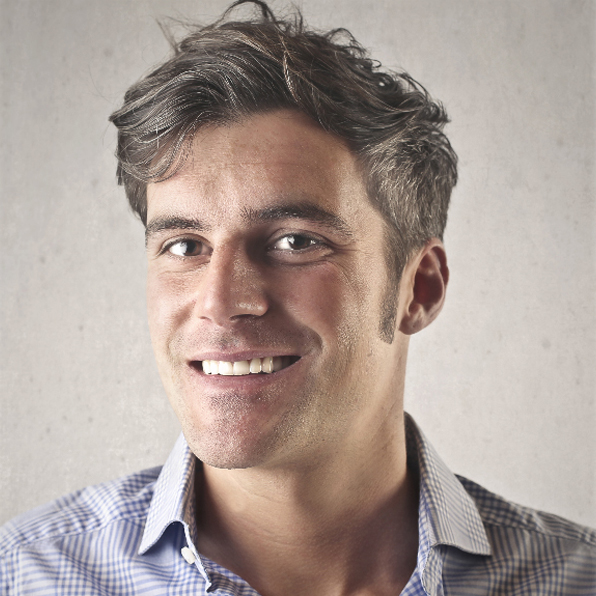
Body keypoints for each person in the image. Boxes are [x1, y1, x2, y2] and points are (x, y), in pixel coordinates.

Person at [1, 1, 594, 594]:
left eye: (295, 241)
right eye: (185, 245)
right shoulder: (27, 575)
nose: (220, 302)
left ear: (419, 287)